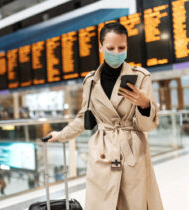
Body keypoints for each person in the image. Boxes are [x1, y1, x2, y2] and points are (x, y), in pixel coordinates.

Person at [47, 22, 163, 210]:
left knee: (134, 203)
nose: (116, 52)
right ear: (101, 47)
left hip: (132, 153)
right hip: (102, 153)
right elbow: (84, 119)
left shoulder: (141, 77)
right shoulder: (91, 82)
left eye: (121, 47)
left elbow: (148, 127)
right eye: (110, 48)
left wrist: (145, 104)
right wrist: (60, 135)